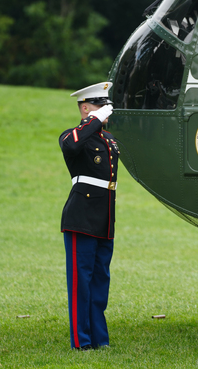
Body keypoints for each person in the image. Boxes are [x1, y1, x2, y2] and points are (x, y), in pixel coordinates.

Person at [59, 82, 119, 349]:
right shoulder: (72, 136)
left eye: (107, 106)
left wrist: (99, 120)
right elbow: (72, 146)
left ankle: (99, 340)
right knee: (79, 284)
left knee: (99, 283)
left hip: (104, 219)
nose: (106, 111)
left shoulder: (107, 140)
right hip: (81, 218)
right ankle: (80, 342)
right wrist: (94, 119)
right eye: (100, 106)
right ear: (85, 108)